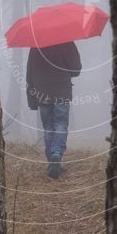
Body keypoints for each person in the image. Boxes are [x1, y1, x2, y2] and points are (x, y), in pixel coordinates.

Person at [26, 41, 82, 179]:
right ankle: (56, 155)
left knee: (49, 127)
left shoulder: (35, 46)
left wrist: (32, 100)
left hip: (41, 93)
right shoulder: (67, 42)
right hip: (61, 91)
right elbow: (76, 69)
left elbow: (30, 75)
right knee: (61, 124)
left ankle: (52, 163)